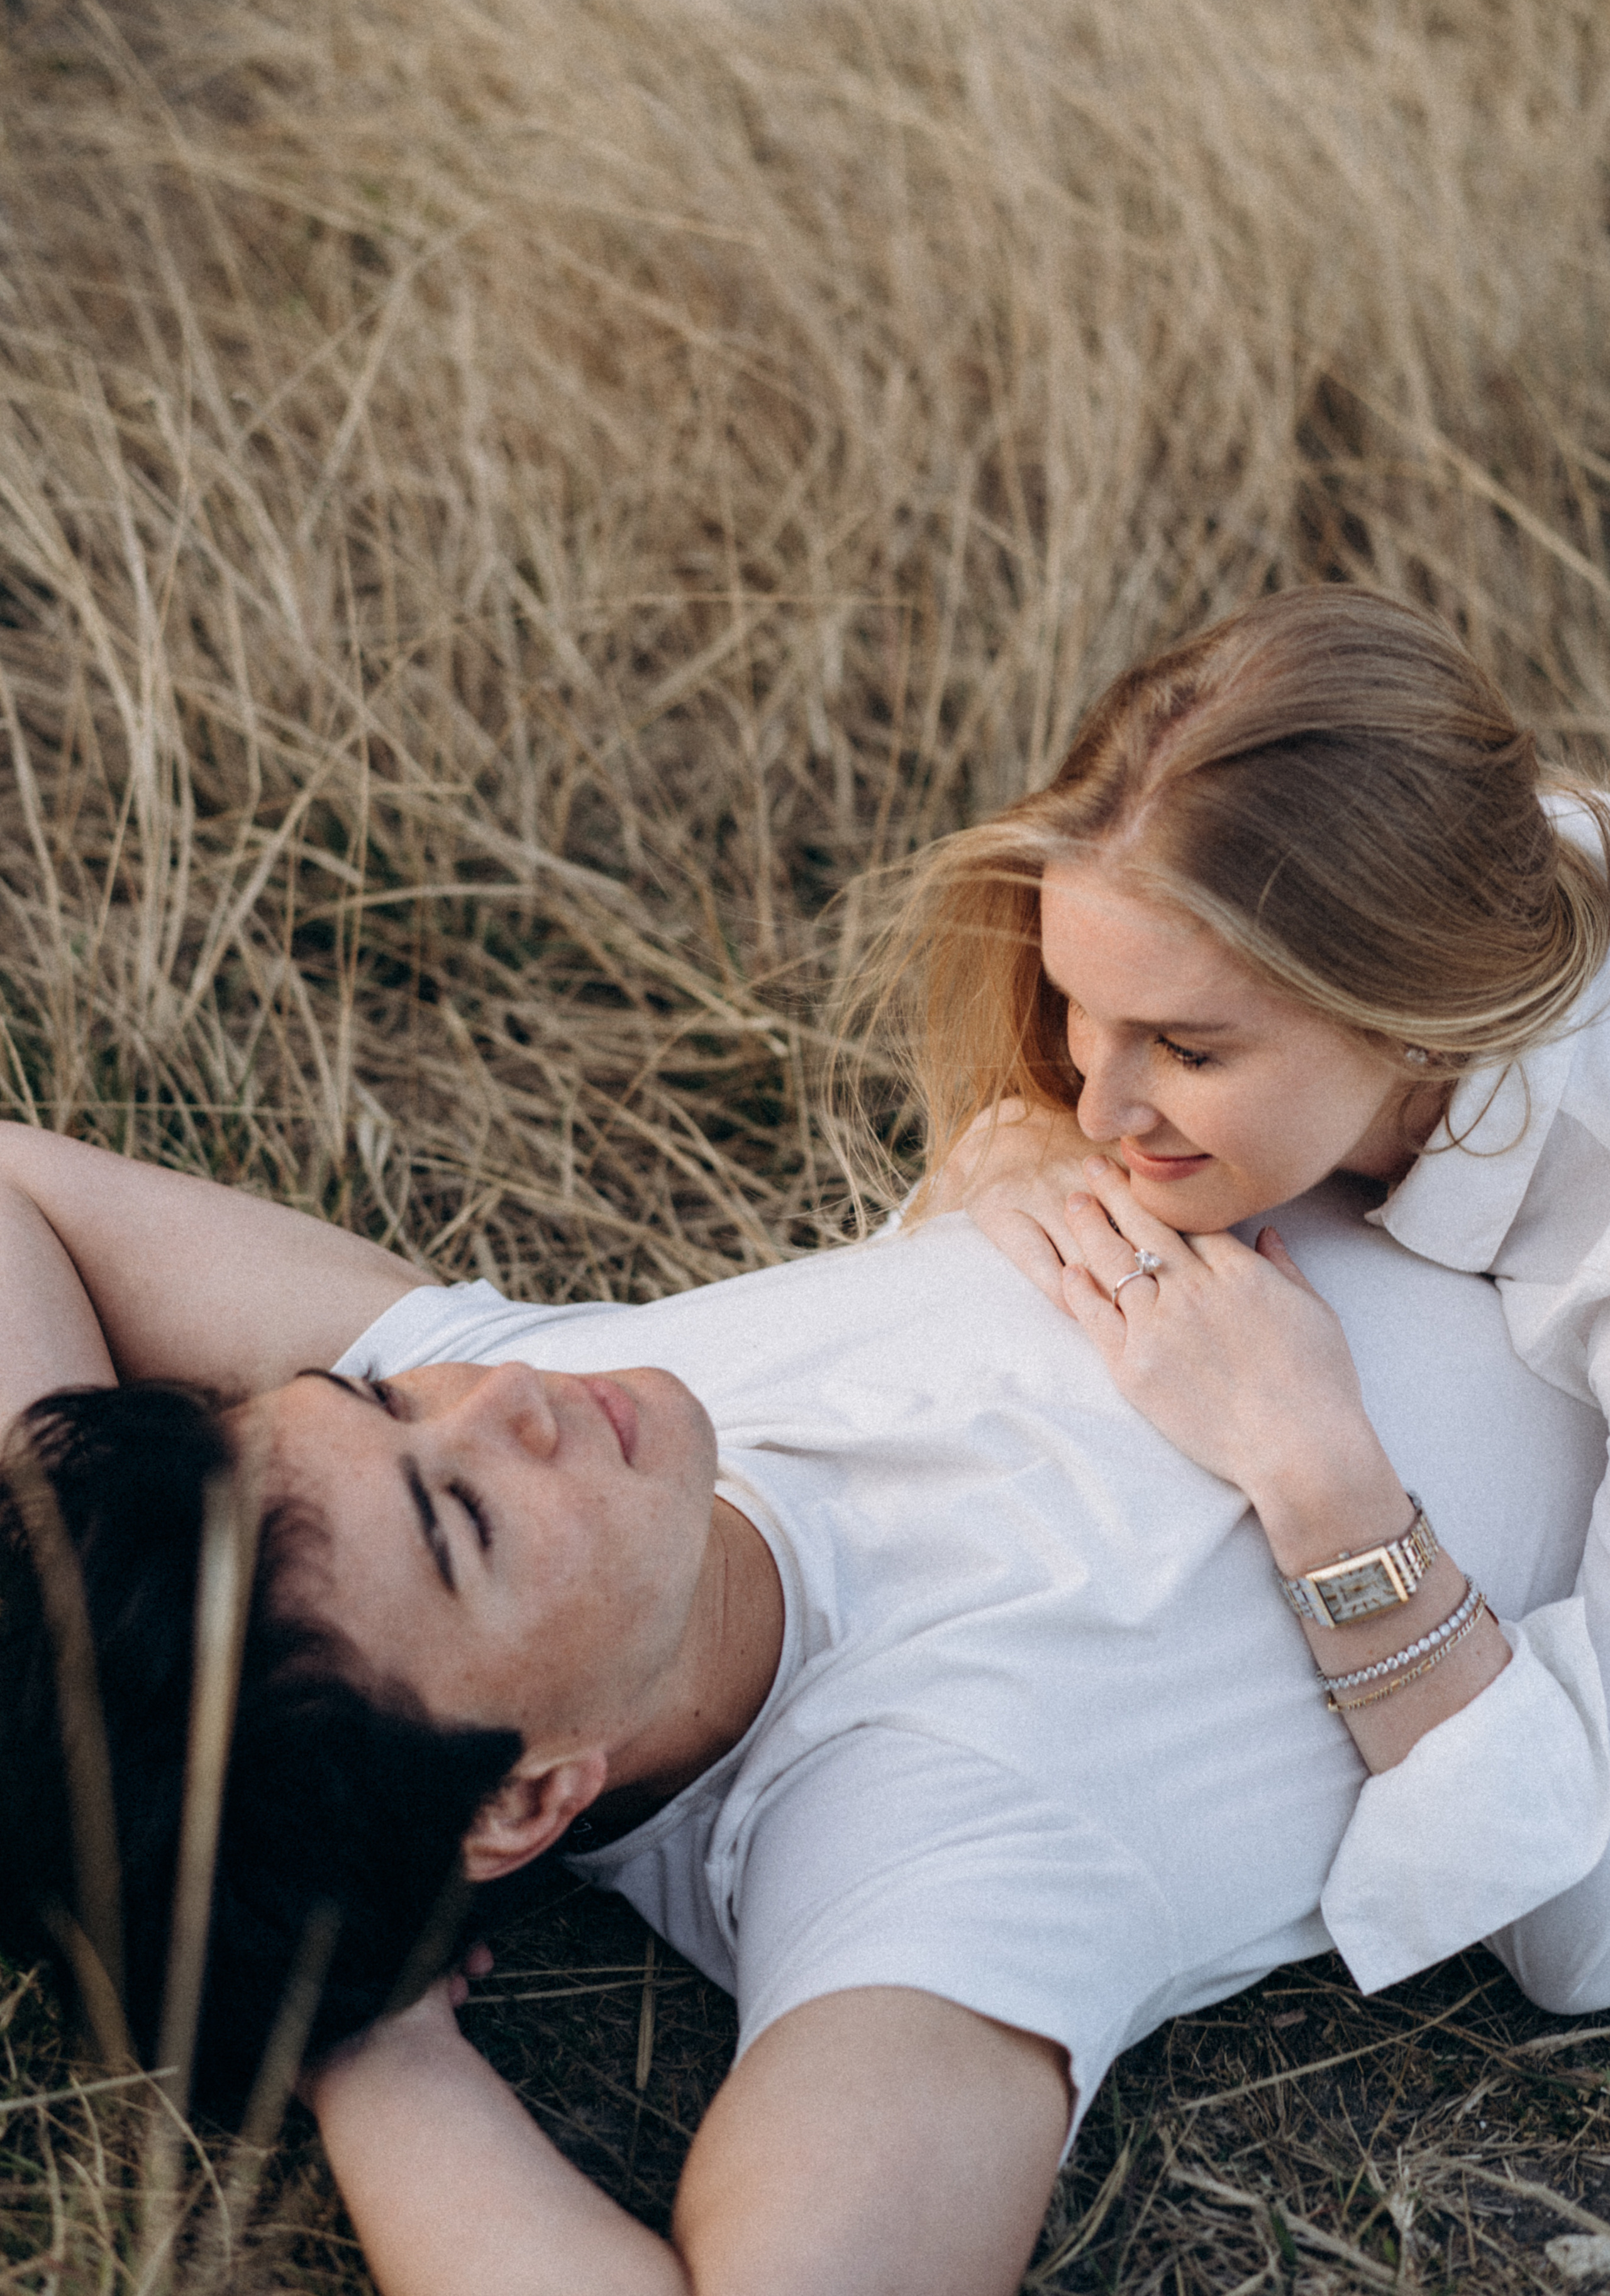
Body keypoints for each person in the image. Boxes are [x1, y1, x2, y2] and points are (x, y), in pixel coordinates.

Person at [0, 1120, 1606, 2296]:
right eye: (461, 1522)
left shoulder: (582, 1400)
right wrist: (353, 2031)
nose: (499, 1398)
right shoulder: (921, 1861)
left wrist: (51, 1606)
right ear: (518, 1803)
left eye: (379, 1400)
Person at [892, 579, 1610, 2014]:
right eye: (1076, 1012)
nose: (1095, 1102)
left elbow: (1581, 1930)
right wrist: (1009, 1140)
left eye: (1185, 1048)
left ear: (1411, 1012)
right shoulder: (1463, 856)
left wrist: (1320, 1481)